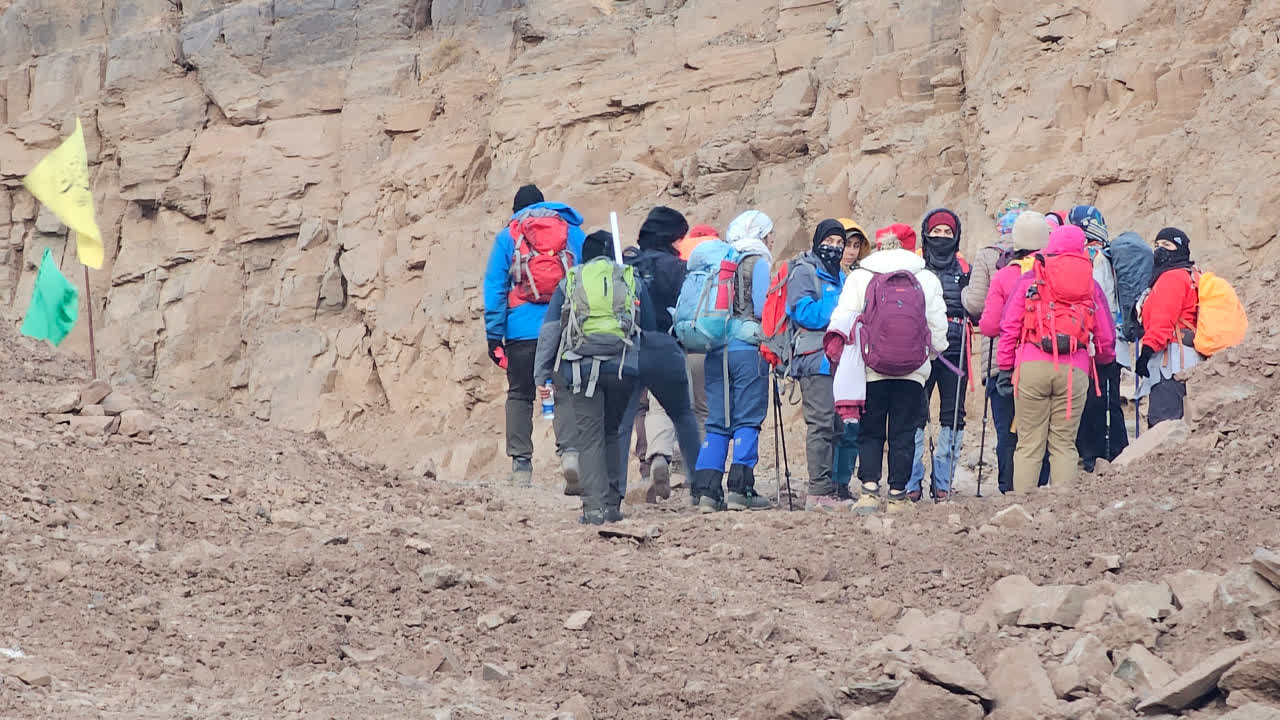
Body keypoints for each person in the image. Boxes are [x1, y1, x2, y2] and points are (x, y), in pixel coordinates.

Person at [534, 231, 646, 524]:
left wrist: (542, 373)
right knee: (614, 432)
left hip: (581, 368)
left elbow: (550, 331)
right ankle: (612, 504)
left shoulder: (571, 281)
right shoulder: (630, 279)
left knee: (590, 436)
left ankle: (593, 509)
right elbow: (649, 328)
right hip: (623, 367)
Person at [837, 224, 949, 514]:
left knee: (870, 430)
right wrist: (928, 355)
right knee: (904, 432)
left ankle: (869, 491)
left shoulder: (861, 275)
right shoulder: (925, 277)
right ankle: (898, 495)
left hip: (871, 369)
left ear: (878, 248)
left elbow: (845, 320)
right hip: (912, 371)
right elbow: (938, 327)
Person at [997, 225, 1117, 492]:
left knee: (1029, 444)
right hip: (1074, 369)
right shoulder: (1090, 284)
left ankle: (1022, 506)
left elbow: (1010, 326)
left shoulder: (1031, 279)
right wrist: (1104, 363)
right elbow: (1106, 337)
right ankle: (1062, 509)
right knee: (1063, 444)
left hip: (1032, 365)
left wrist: (1005, 367)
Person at [483, 184, 585, 489]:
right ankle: (570, 455)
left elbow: (495, 287)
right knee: (564, 391)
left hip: (521, 331)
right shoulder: (572, 232)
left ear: (516, 210)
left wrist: (494, 334)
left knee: (520, 394)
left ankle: (521, 466)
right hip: (564, 327)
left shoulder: (509, 236)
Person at [613, 207, 704, 504]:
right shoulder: (678, 268)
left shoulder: (626, 265)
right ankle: (701, 487)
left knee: (623, 422)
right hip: (666, 347)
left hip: (628, 348)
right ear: (671, 237)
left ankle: (614, 493)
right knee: (683, 415)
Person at [691, 210, 775, 512]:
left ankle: (707, 492)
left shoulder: (719, 263)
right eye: (769, 234)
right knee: (747, 418)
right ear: (760, 235)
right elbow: (764, 309)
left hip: (715, 349)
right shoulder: (757, 262)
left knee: (717, 421)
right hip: (747, 351)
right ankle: (741, 489)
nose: (772, 240)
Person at [979, 211, 1052, 493]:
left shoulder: (1005, 275)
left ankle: (1009, 488)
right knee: (1040, 432)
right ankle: (1041, 487)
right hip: (1047, 361)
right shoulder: (1054, 273)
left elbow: (989, 325)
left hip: (1006, 365)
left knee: (1007, 432)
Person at [786, 219, 848, 510]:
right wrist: (839, 303)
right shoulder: (804, 271)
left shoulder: (841, 275)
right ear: (817, 241)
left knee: (837, 426)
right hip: (815, 358)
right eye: (829, 241)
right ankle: (818, 492)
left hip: (841, 361)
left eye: (839, 243)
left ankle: (832, 489)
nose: (834, 248)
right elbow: (803, 313)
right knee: (821, 424)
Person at [908, 208, 970, 502]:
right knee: (914, 413)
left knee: (953, 415)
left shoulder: (966, 269)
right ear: (926, 234)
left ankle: (943, 481)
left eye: (947, 232)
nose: (941, 237)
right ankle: (911, 480)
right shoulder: (915, 267)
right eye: (936, 232)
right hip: (919, 349)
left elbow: (976, 308)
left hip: (956, 350)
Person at [1069, 206, 1128, 470]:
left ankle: (1095, 454)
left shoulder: (1092, 258)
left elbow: (1096, 298)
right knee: (1108, 398)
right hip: (1113, 337)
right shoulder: (1106, 253)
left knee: (1094, 398)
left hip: (1096, 339)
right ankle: (1116, 450)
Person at [1137, 228, 1199, 426]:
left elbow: (1162, 320)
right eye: (1156, 245)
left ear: (1179, 248)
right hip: (1189, 357)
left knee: (1164, 424)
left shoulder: (1171, 277)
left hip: (1170, 360)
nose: (1159, 250)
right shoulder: (1192, 274)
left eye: (1166, 245)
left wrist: (1146, 352)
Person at [832, 218, 871, 497]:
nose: (851, 251)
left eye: (856, 245)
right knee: (830, 423)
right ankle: (826, 480)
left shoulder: (863, 277)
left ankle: (842, 482)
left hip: (856, 357)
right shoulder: (824, 275)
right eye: (847, 244)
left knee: (852, 424)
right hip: (830, 356)